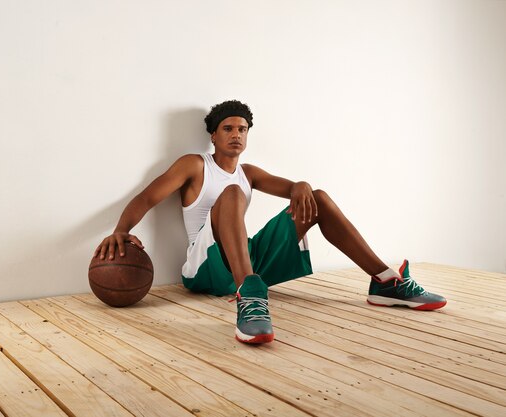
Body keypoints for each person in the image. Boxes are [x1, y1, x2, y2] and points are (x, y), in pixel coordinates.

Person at [94, 100, 446, 344]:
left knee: (318, 198)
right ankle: (249, 295)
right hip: (204, 268)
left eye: (243, 129)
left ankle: (384, 280)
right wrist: (121, 231)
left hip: (244, 258)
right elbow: (146, 198)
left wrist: (302, 186)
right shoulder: (195, 164)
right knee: (231, 195)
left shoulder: (249, 172)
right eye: (228, 128)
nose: (236, 134)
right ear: (213, 136)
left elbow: (294, 189)